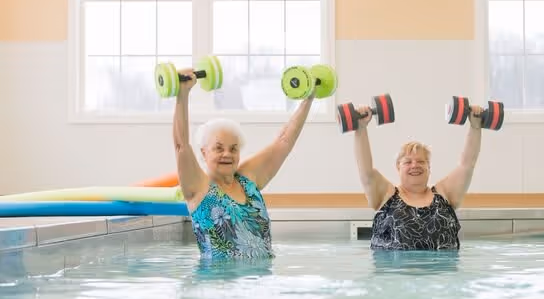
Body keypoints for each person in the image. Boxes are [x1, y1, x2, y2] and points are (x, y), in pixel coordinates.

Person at [172, 68, 317, 259]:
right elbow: (181, 145)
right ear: (204, 152)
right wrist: (182, 94)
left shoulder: (248, 180)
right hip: (218, 283)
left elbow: (284, 141)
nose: (227, 154)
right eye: (218, 148)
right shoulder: (199, 187)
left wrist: (309, 97)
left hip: (261, 281)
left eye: (233, 149)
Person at [352, 104, 485, 250]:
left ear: (429, 167)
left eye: (421, 161)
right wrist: (361, 128)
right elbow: (366, 171)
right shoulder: (386, 195)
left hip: (442, 273)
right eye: (408, 162)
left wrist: (475, 127)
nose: (415, 165)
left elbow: (467, 165)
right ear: (398, 167)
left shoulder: (445, 194)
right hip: (392, 272)